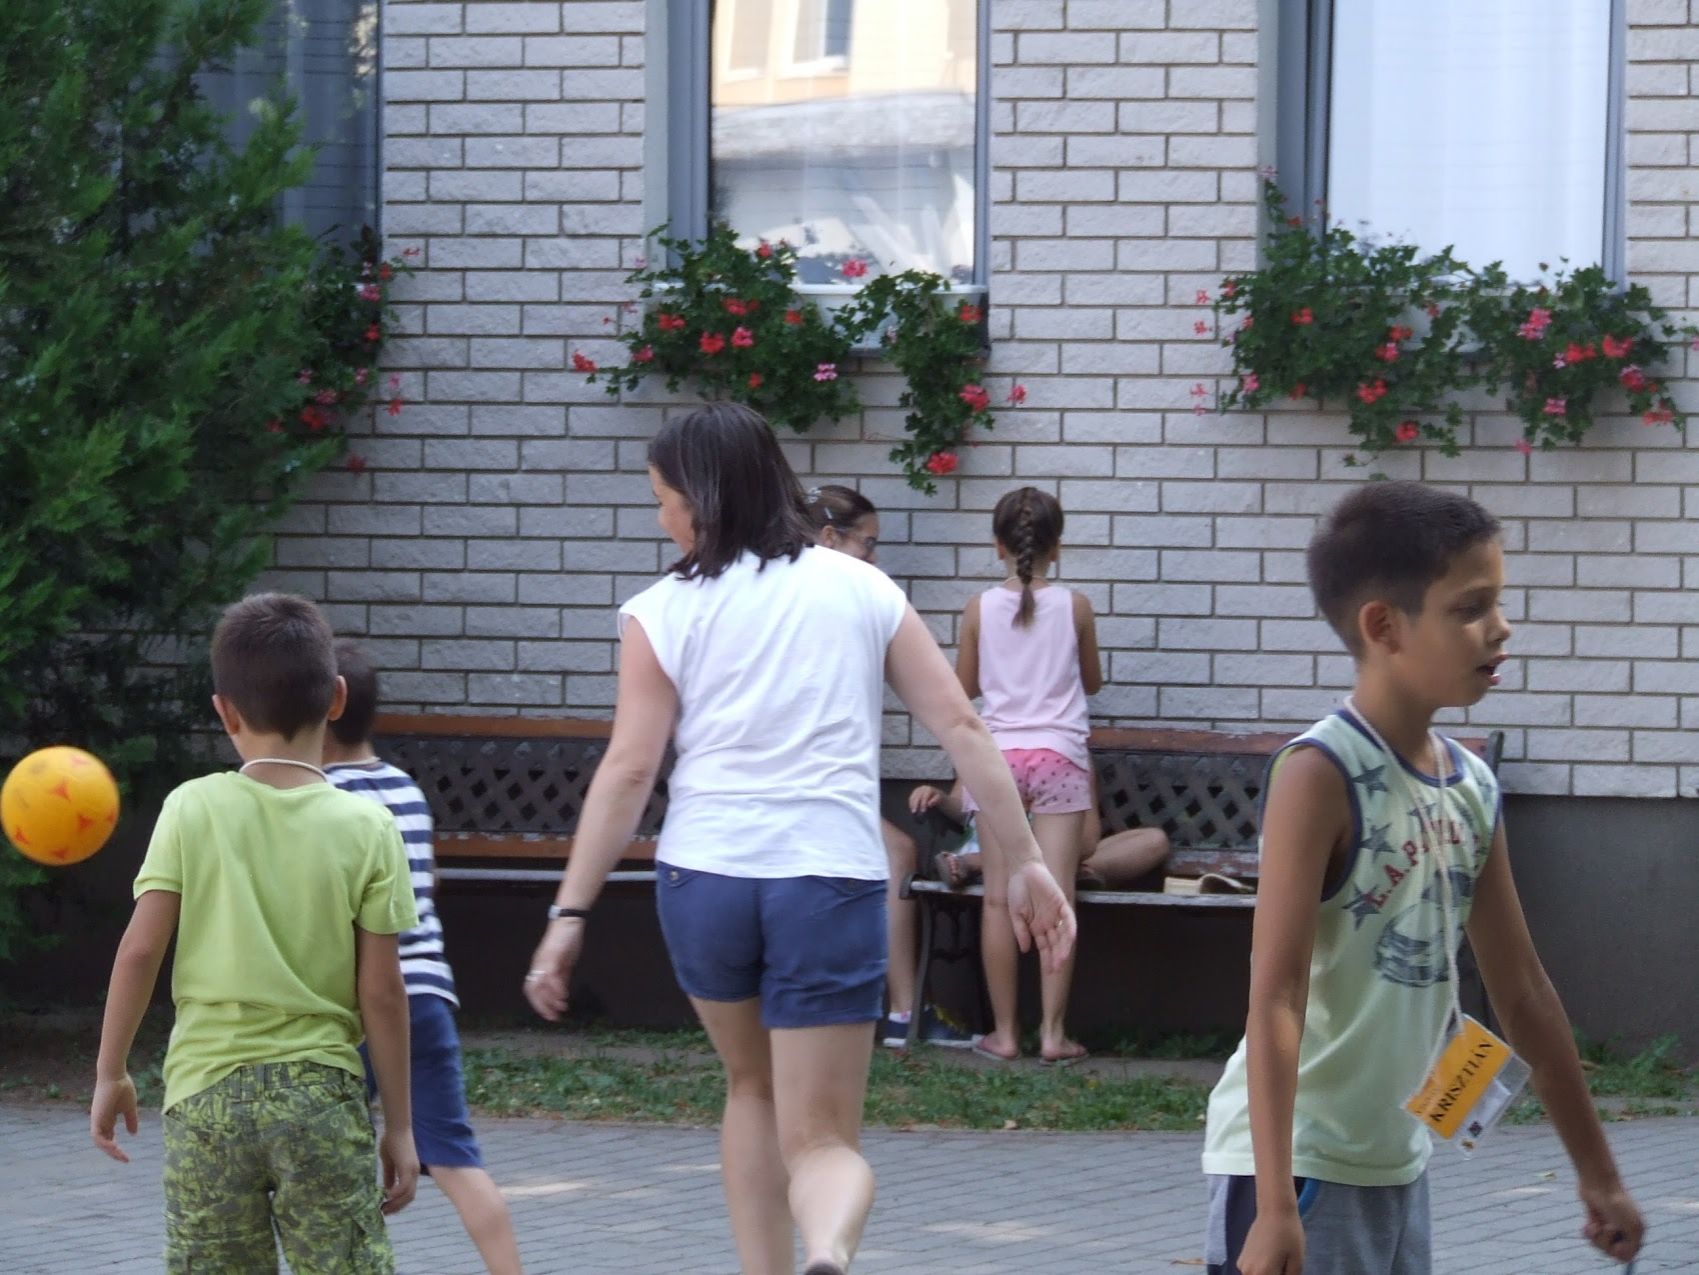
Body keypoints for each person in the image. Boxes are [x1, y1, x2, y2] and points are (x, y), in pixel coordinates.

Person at [521, 403, 1076, 1275]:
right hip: (828, 880)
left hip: (705, 879)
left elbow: (628, 771)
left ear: (703, 498)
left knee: (749, 1087)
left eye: (665, 499)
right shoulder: (861, 587)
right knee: (822, 1140)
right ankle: (827, 1247)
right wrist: (1030, 861)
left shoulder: (659, 610)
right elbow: (965, 727)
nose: (661, 518)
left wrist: (569, 914)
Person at [1202, 482, 1643, 1275]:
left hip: (1397, 1165)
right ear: (1383, 626)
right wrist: (1272, 1207)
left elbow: (1523, 993)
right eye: (1470, 607)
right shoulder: (1319, 772)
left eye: (1497, 601)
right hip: (1297, 1171)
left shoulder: (1470, 786)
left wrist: (1599, 1176)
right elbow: (1275, 996)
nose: (1500, 627)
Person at [89, 593, 420, 1273]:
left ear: (225, 711)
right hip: (320, 1098)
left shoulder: (191, 807)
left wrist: (110, 1071)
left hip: (204, 1095)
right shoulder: (368, 827)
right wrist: (401, 1124)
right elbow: (383, 992)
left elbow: (140, 949)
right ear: (336, 698)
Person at [324, 639, 525, 1275]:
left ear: (321, 712)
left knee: (329, 1162)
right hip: (428, 996)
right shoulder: (406, 789)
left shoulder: (320, 798)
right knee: (458, 1160)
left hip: (354, 1004)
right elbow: (424, 882)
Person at [804, 482, 973, 1050]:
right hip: (797, 786)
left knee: (893, 853)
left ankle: (899, 1011)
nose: (875, 559)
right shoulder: (813, 601)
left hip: (823, 781)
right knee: (895, 854)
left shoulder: (835, 598)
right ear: (830, 538)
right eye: (868, 544)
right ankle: (899, 1012)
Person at [955, 486, 1101, 1065]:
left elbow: (965, 686)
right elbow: (1091, 681)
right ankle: (1053, 1035)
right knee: (1058, 896)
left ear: (998, 546)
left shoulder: (978, 608)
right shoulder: (1077, 606)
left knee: (997, 899)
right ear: (1056, 547)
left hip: (997, 761)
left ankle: (1005, 1033)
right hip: (1059, 755)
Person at [916, 777, 1170, 890]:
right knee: (1064, 864)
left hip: (1053, 853)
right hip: (994, 853)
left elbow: (1088, 839)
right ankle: (1067, 872)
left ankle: (975, 865)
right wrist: (939, 799)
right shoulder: (985, 739)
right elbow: (963, 809)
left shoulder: (1069, 750)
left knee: (1155, 840)